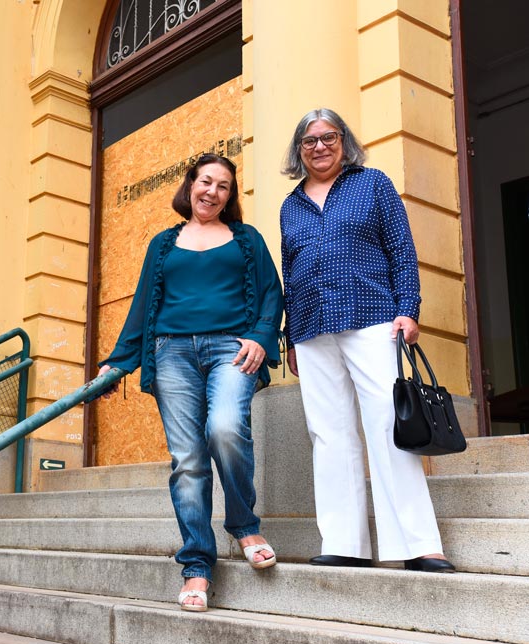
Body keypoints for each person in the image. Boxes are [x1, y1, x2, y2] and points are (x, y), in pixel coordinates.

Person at [96, 154, 284, 611]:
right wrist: (117, 363)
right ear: (190, 185)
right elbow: (143, 306)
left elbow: (270, 294)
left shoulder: (246, 239)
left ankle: (243, 524)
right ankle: (197, 565)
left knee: (224, 428)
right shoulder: (163, 244)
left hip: (230, 348)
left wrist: (261, 337)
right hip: (172, 353)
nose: (212, 192)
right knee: (188, 461)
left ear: (229, 197)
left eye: (223, 186)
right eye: (206, 182)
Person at [279, 108, 455, 573]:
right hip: (312, 328)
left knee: (388, 427)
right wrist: (289, 339)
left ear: (344, 141)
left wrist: (407, 309)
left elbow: (402, 249)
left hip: (372, 316)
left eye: (328, 137)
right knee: (329, 434)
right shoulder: (290, 205)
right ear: (299, 150)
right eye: (309, 140)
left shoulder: (372, 183)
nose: (319, 146)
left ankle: (419, 545)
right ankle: (345, 542)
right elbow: (289, 274)